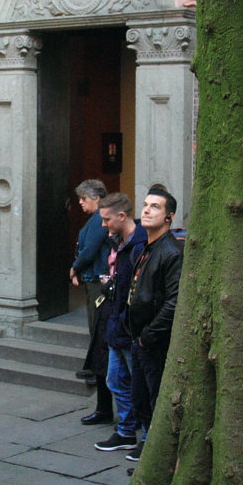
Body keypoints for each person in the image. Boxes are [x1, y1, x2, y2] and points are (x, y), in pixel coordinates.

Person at [126, 188, 183, 469]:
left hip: (155, 342)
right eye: (145, 205)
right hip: (139, 337)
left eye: (155, 207)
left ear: (169, 217)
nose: (146, 210)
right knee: (141, 398)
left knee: (156, 399)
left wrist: (148, 336)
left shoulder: (171, 251)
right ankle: (149, 455)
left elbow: (174, 301)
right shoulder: (146, 248)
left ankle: (159, 462)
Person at [93, 192, 147, 452]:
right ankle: (126, 431)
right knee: (115, 380)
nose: (104, 225)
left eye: (107, 219)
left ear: (122, 216)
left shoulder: (140, 245)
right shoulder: (118, 242)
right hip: (117, 324)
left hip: (131, 327)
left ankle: (146, 437)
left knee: (140, 385)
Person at [69, 179, 114, 422]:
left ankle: (96, 370)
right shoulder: (96, 219)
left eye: (84, 198)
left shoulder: (99, 220)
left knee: (97, 329)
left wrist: (75, 267)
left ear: (96, 198)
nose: (80, 202)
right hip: (93, 278)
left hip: (98, 280)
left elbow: (90, 249)